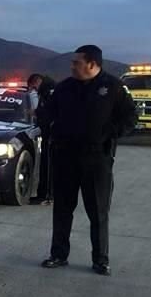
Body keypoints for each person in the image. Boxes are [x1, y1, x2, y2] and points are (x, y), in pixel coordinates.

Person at [38, 45, 136, 275]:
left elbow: (130, 118)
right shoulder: (64, 88)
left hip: (96, 159)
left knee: (98, 211)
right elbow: (47, 113)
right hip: (65, 157)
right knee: (62, 209)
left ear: (92, 64)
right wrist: (51, 127)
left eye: (76, 62)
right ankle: (58, 254)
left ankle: (100, 259)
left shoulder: (113, 87)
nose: (72, 66)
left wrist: (109, 134)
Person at [32, 74, 56, 205]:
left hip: (51, 135)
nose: (34, 90)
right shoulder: (46, 92)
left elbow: (50, 113)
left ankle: (46, 196)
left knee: (48, 166)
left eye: (34, 87)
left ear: (38, 81)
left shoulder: (49, 93)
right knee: (46, 166)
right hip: (48, 134)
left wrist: (37, 114)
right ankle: (46, 194)